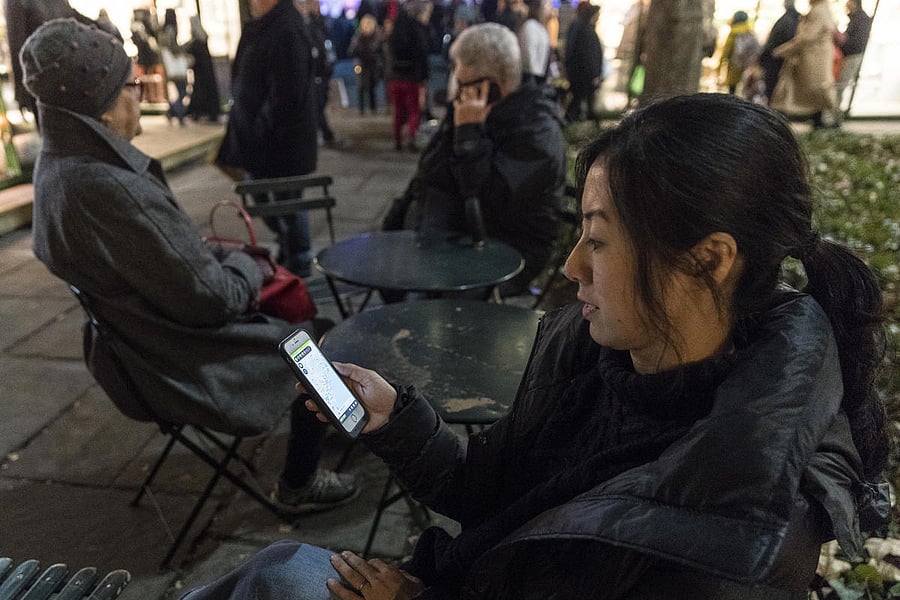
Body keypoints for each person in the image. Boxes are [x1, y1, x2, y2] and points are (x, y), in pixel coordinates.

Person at [181, 92, 889, 599]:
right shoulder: (592, 353)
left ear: (708, 261)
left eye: (601, 240)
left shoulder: (741, 536)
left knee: (282, 577)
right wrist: (396, 419)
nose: (574, 265)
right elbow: (491, 490)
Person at [20, 18, 358, 514]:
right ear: (103, 107)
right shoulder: (110, 188)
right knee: (314, 339)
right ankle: (302, 478)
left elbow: (163, 266)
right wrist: (247, 265)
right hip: (182, 358)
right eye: (130, 84)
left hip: (140, 349)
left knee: (300, 328)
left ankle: (329, 421)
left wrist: (197, 256)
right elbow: (213, 299)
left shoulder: (57, 169)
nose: (138, 90)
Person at [383, 23, 566, 297]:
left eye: (463, 84)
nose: (456, 89)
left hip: (506, 245)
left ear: (493, 88)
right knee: (394, 276)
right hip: (457, 233)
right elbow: (431, 171)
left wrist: (469, 136)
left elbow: (486, 196)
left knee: (418, 293)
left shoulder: (538, 130)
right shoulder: (472, 110)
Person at [217, 0, 319, 278]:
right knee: (262, 197)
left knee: (288, 203)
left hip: (280, 144)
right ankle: (289, 248)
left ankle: (298, 257)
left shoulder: (286, 27)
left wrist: (260, 127)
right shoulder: (263, 25)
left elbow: (288, 93)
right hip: (259, 142)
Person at [769, 0, 838, 129]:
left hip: (813, 58)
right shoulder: (820, 9)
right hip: (812, 57)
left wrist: (783, 50)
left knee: (812, 89)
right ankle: (818, 121)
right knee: (813, 91)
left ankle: (780, 119)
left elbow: (807, 37)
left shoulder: (819, 10)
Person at [386, 0, 433, 152]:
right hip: (412, 76)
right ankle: (411, 138)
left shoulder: (396, 31)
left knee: (398, 110)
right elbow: (422, 53)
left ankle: (397, 139)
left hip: (395, 76)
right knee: (414, 110)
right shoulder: (417, 30)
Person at [833, 0, 872, 123]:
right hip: (851, 55)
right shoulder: (857, 18)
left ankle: (836, 118)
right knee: (839, 86)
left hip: (852, 56)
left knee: (840, 86)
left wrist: (842, 42)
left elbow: (855, 42)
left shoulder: (860, 19)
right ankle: (836, 116)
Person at [564, 2, 603, 122]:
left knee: (579, 101)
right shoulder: (585, 30)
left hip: (579, 74)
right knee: (578, 101)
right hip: (583, 76)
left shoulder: (579, 27)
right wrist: (594, 75)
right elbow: (588, 56)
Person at [758, 0, 801, 104]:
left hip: (776, 58)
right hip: (778, 57)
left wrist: (777, 52)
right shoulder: (794, 20)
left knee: (772, 86)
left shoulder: (786, 20)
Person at [184, 15, 222, 123]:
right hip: (207, 72)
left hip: (200, 73)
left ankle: (198, 112)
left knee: (200, 92)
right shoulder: (203, 39)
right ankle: (209, 113)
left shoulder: (196, 43)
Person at [159, 10, 190, 127]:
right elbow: (173, 48)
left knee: (179, 91)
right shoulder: (170, 30)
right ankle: (178, 113)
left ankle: (172, 112)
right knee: (182, 91)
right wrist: (184, 48)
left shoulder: (162, 31)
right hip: (176, 65)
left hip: (169, 66)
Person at [718, 10, 761, 96]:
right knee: (746, 89)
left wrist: (720, 64)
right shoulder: (750, 33)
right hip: (748, 66)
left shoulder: (733, 33)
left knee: (732, 90)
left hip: (735, 65)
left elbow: (727, 50)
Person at [349, 14, 384, 115]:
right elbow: (352, 51)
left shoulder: (377, 37)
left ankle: (373, 108)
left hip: (373, 64)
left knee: (372, 86)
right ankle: (361, 109)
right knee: (361, 86)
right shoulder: (358, 37)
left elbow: (380, 51)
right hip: (361, 64)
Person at [517, 0, 551, 85]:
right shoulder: (530, 27)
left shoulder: (540, 27)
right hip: (531, 81)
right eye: (546, 5)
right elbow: (528, 58)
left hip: (537, 79)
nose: (549, 8)